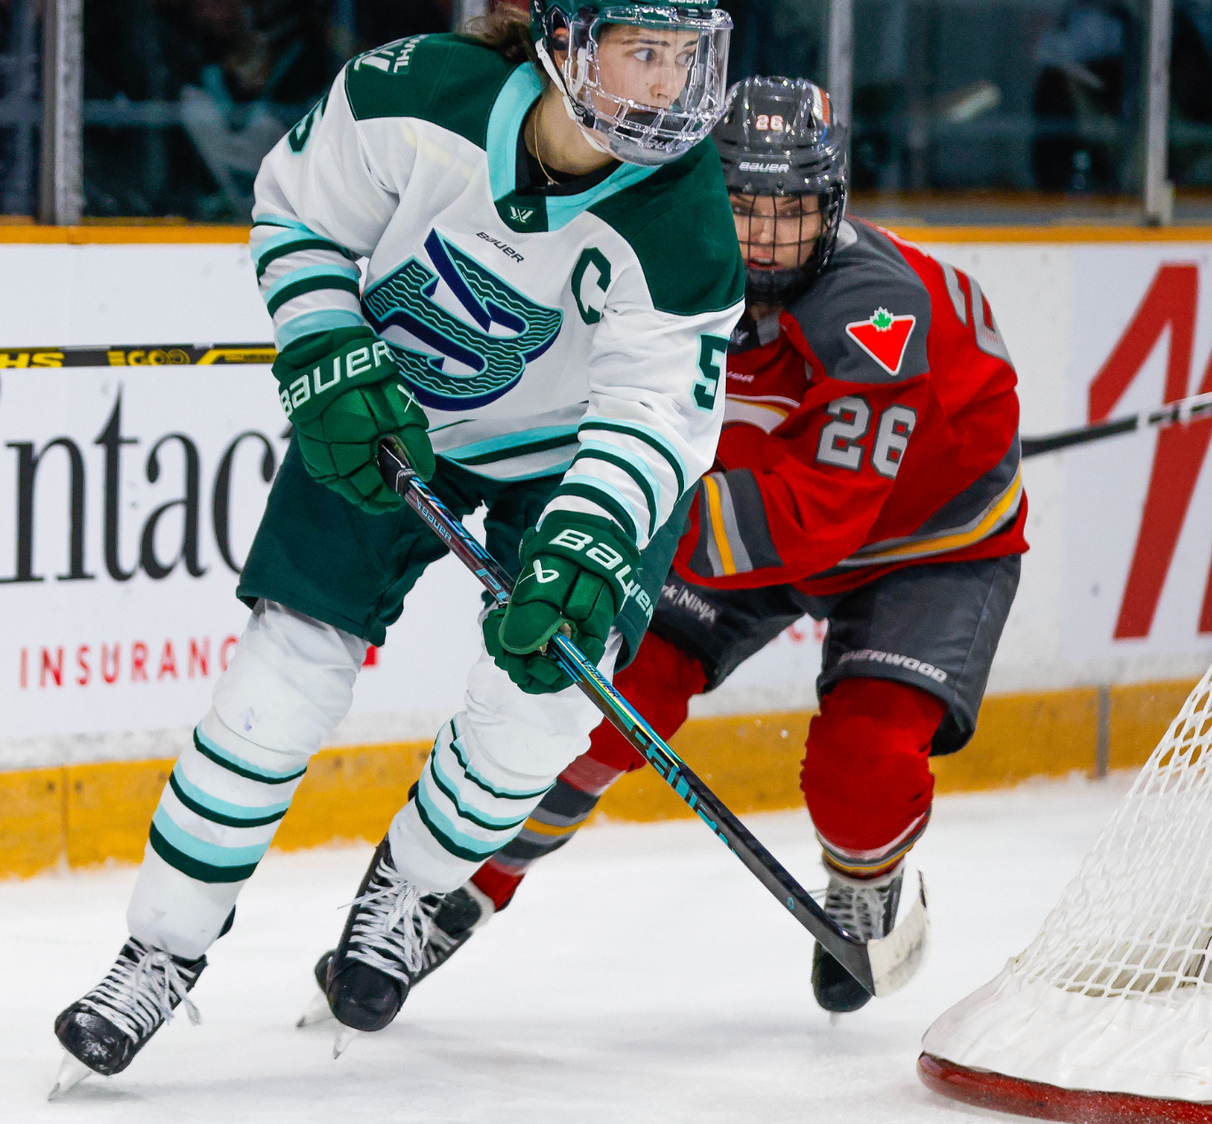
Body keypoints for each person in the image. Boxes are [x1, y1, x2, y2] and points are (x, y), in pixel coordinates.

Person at [51, 0, 746, 1090]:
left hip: (572, 463)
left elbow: (654, 415)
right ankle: (159, 951)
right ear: (561, 41)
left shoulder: (683, 218)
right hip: (389, 417)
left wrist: (581, 545)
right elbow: (299, 216)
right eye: (643, 48)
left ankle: (408, 892)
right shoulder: (410, 94)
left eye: (686, 53)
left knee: (537, 709)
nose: (671, 84)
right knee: (278, 682)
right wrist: (324, 342)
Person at [405, 76, 1026, 1015]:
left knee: (862, 768)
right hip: (756, 495)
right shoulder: (650, 256)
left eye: (793, 210)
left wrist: (617, 528)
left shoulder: (875, 311)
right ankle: (466, 883)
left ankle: (867, 872)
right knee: (602, 707)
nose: (769, 237)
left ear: (835, 205)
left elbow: (812, 519)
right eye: (744, 208)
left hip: (926, 537)